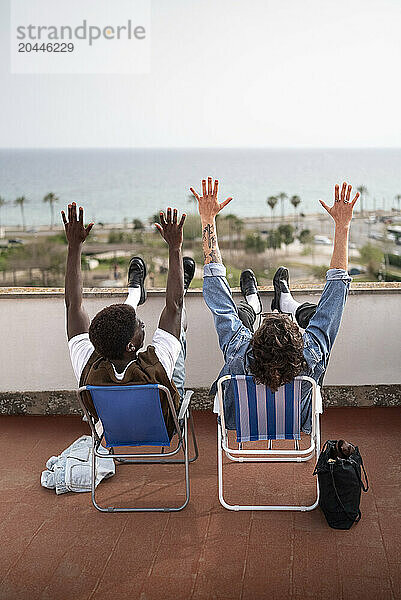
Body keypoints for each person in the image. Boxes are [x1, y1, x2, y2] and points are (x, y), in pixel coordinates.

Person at [189, 178, 359, 432]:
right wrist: (343, 226)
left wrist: (207, 220)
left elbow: (217, 293)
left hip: (243, 425)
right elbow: (334, 298)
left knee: (238, 318)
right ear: (299, 345)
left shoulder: (239, 350)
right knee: (312, 315)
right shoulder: (311, 354)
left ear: (253, 343)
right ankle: (284, 303)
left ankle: (252, 306)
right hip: (294, 424)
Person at [61, 203, 195, 437]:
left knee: (176, 326)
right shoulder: (156, 364)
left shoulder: (88, 365)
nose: (142, 323)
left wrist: (74, 247)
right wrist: (175, 248)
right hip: (162, 430)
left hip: (112, 431)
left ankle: (135, 293)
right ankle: (179, 286)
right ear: (131, 346)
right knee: (179, 329)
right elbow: (174, 307)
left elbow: (73, 306)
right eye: (138, 324)